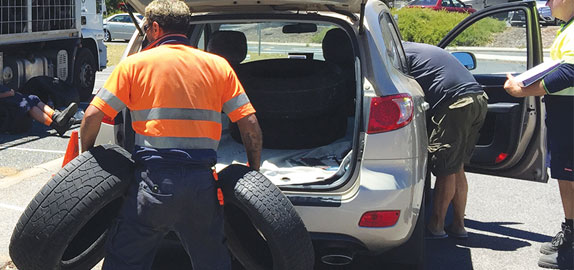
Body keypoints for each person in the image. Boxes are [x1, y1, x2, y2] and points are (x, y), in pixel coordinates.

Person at [79, 0, 263, 269]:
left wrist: (86, 162)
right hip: (202, 185)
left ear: (155, 28)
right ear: (185, 28)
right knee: (212, 262)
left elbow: (92, 117)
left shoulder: (134, 65)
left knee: (125, 260)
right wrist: (253, 172)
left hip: (153, 185)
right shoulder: (218, 66)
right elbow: (250, 125)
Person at [504, 0, 573, 268]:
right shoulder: (567, 28)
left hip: (570, 114)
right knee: (566, 174)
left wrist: (523, 90)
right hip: (565, 113)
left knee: (569, 173)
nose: (547, 3)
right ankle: (570, 233)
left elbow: (569, 72)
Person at [402, 41, 488, 239]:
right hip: (477, 97)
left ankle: (437, 225)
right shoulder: (415, 49)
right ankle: (458, 225)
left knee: (445, 167)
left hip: (455, 102)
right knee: (456, 166)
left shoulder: (398, 54)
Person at [0, 84, 77, 136]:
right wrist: (9, 93)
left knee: (32, 98)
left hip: (12, 99)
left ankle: (55, 116)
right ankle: (56, 125)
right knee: (27, 105)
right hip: (6, 105)